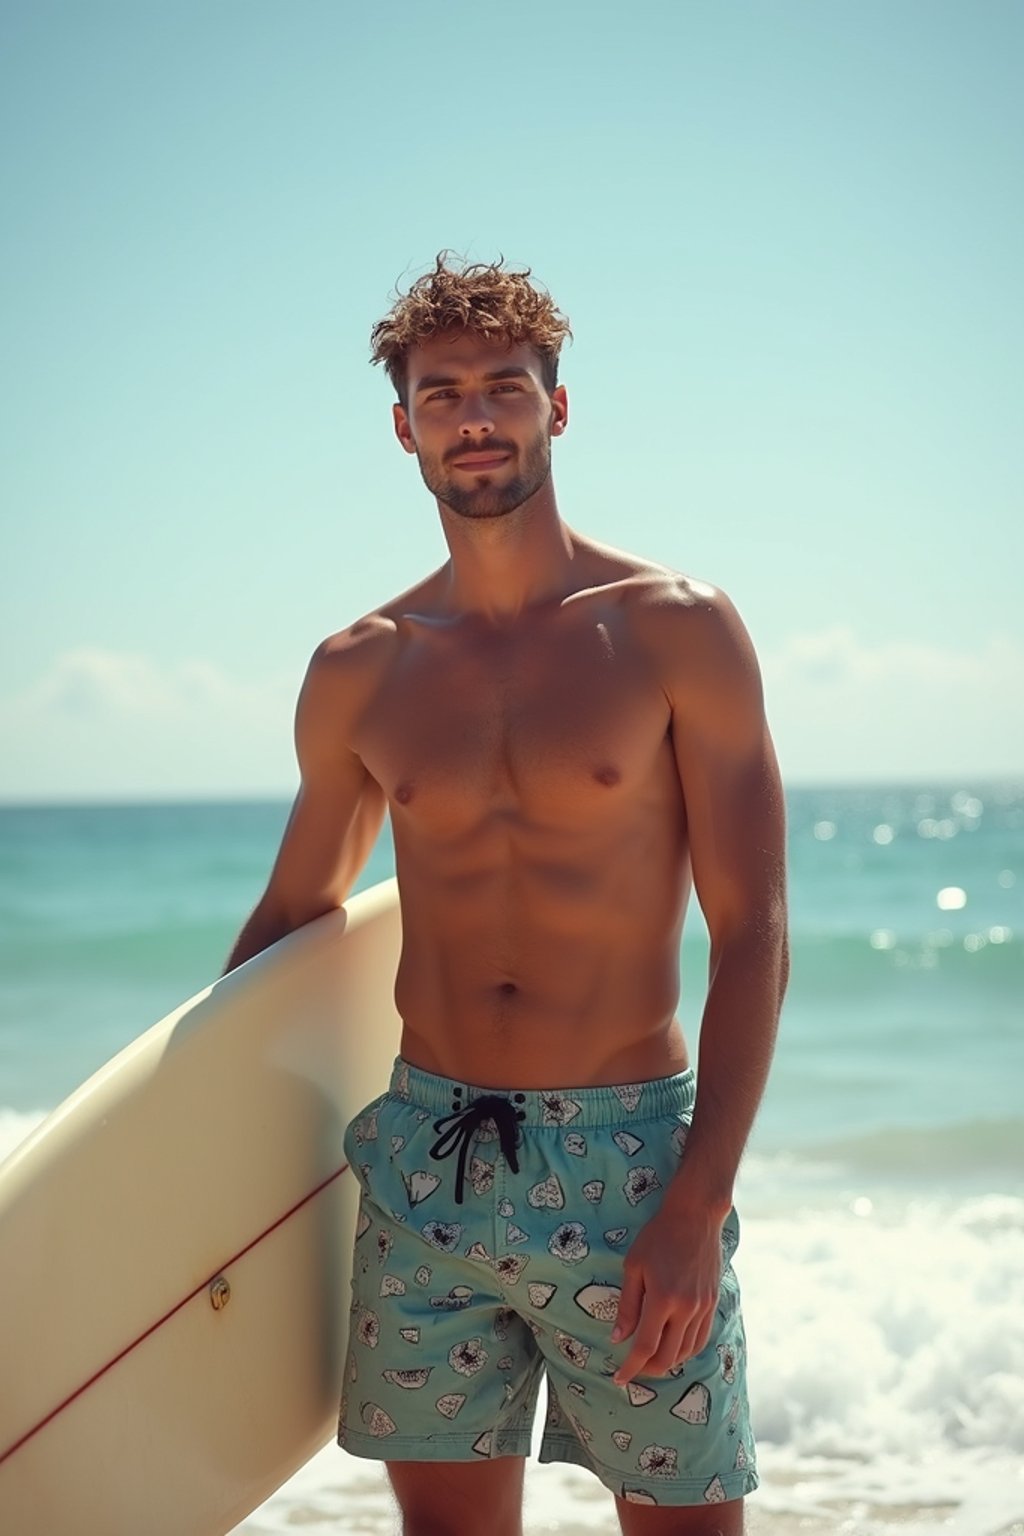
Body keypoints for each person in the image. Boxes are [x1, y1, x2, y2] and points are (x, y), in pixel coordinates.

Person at [224, 253, 789, 1535]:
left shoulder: (674, 628)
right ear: (402, 426)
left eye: (503, 388)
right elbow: (292, 915)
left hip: (630, 1163)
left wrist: (696, 1200)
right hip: (426, 1162)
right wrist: (189, 1136)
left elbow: (751, 931)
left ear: (557, 406)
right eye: (441, 396)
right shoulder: (359, 669)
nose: (472, 418)